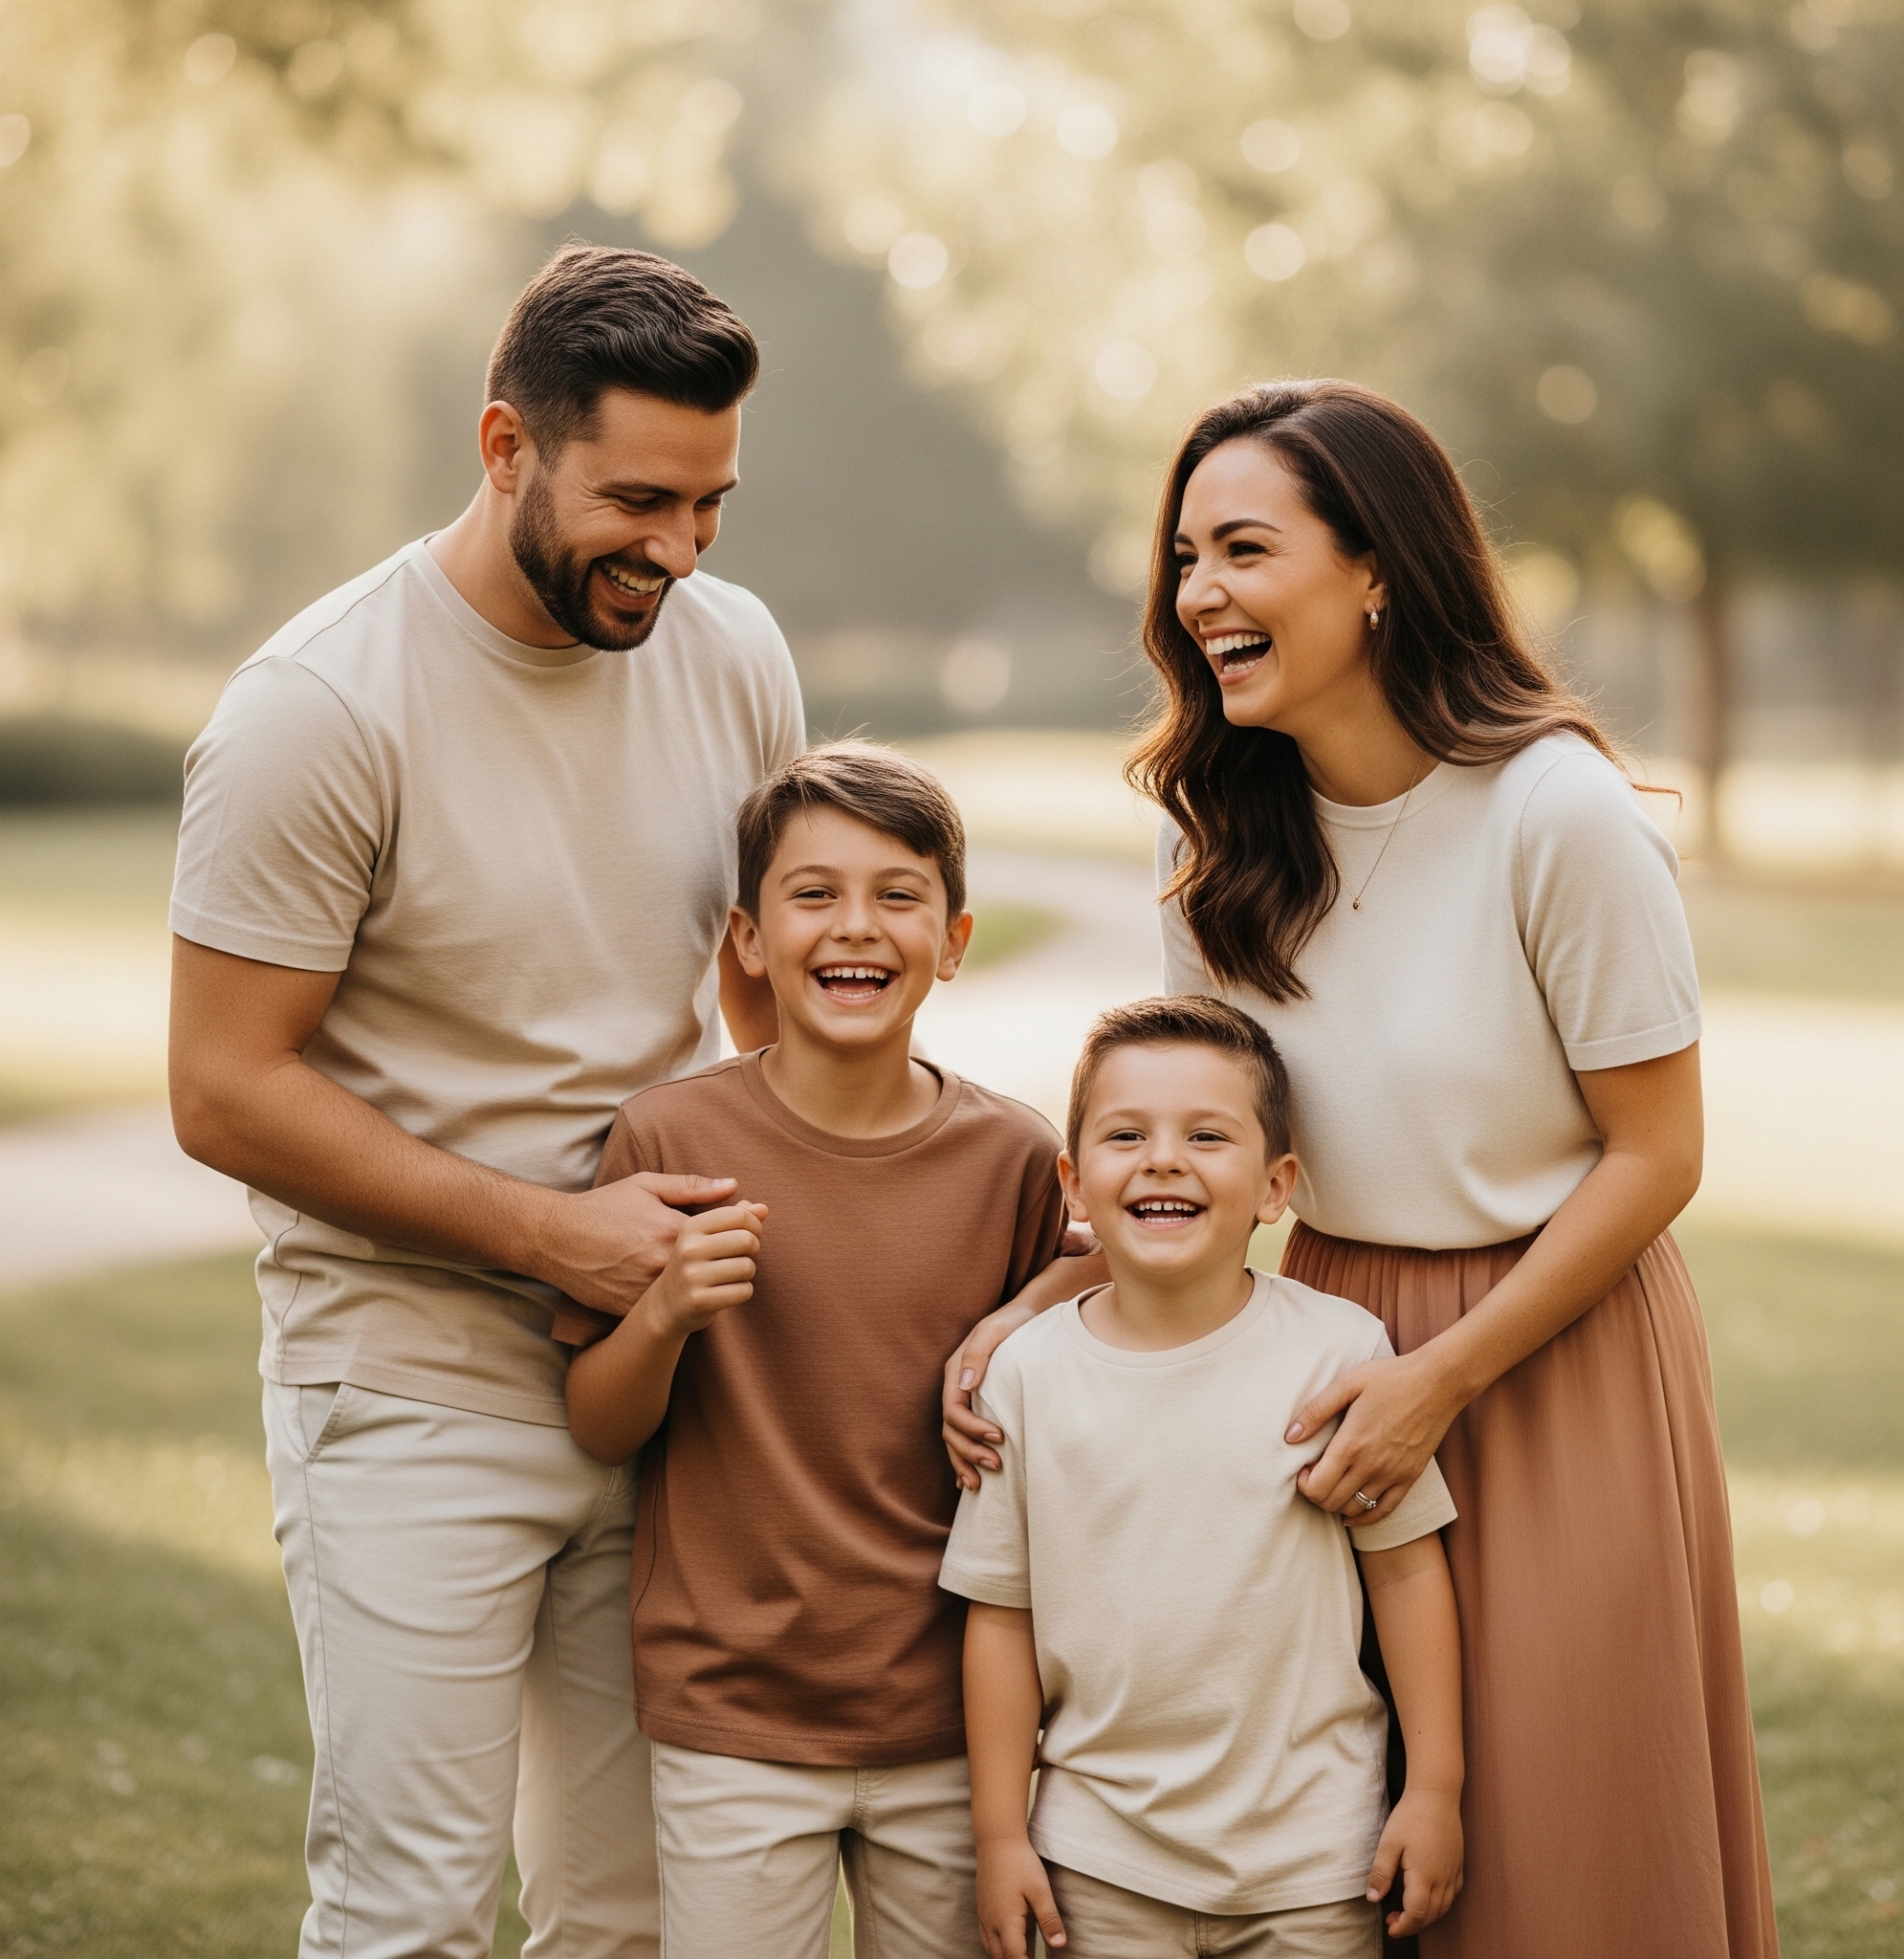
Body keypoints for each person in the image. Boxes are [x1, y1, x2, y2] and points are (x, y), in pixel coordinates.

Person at [167, 245, 804, 1959]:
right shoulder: (318, 711)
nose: (679, 552)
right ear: (505, 445)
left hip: (664, 1379)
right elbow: (223, 1091)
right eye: (638, 502)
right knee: (413, 1919)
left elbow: (757, 991)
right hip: (406, 1383)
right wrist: (556, 1236)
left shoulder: (733, 650)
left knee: (630, 1917)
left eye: (711, 505)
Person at [1123, 380, 1771, 1957]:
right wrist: (1034, 1313)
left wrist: (1444, 1376)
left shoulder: (1557, 814)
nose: (1200, 593)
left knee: (1561, 1833)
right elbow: (1191, 1151)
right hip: (1330, 1350)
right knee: (1351, 1838)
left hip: (1558, 1353)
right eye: (1187, 556)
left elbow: (1657, 1153)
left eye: (1244, 549)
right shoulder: (1208, 837)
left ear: (1374, 570)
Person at [554, 743, 1086, 1959]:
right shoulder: (668, 1136)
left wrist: (1033, 1301)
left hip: (955, 1718)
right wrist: (665, 1312)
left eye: (897, 895)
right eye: (813, 894)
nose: (855, 925)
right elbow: (598, 1421)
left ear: (953, 939)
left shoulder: (1012, 1155)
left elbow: (1115, 1286)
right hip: (731, 1719)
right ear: (747, 938)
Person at [945, 996, 1464, 1959]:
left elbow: (1404, 1571)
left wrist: (1433, 1788)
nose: (1163, 1159)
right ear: (1073, 1183)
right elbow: (1001, 1617)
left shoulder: (1339, 1353)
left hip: (1313, 1859)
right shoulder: (1027, 1375)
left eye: (1206, 1135)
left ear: (1275, 1186)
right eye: (1126, 1134)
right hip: (1099, 1860)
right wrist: (999, 1833)